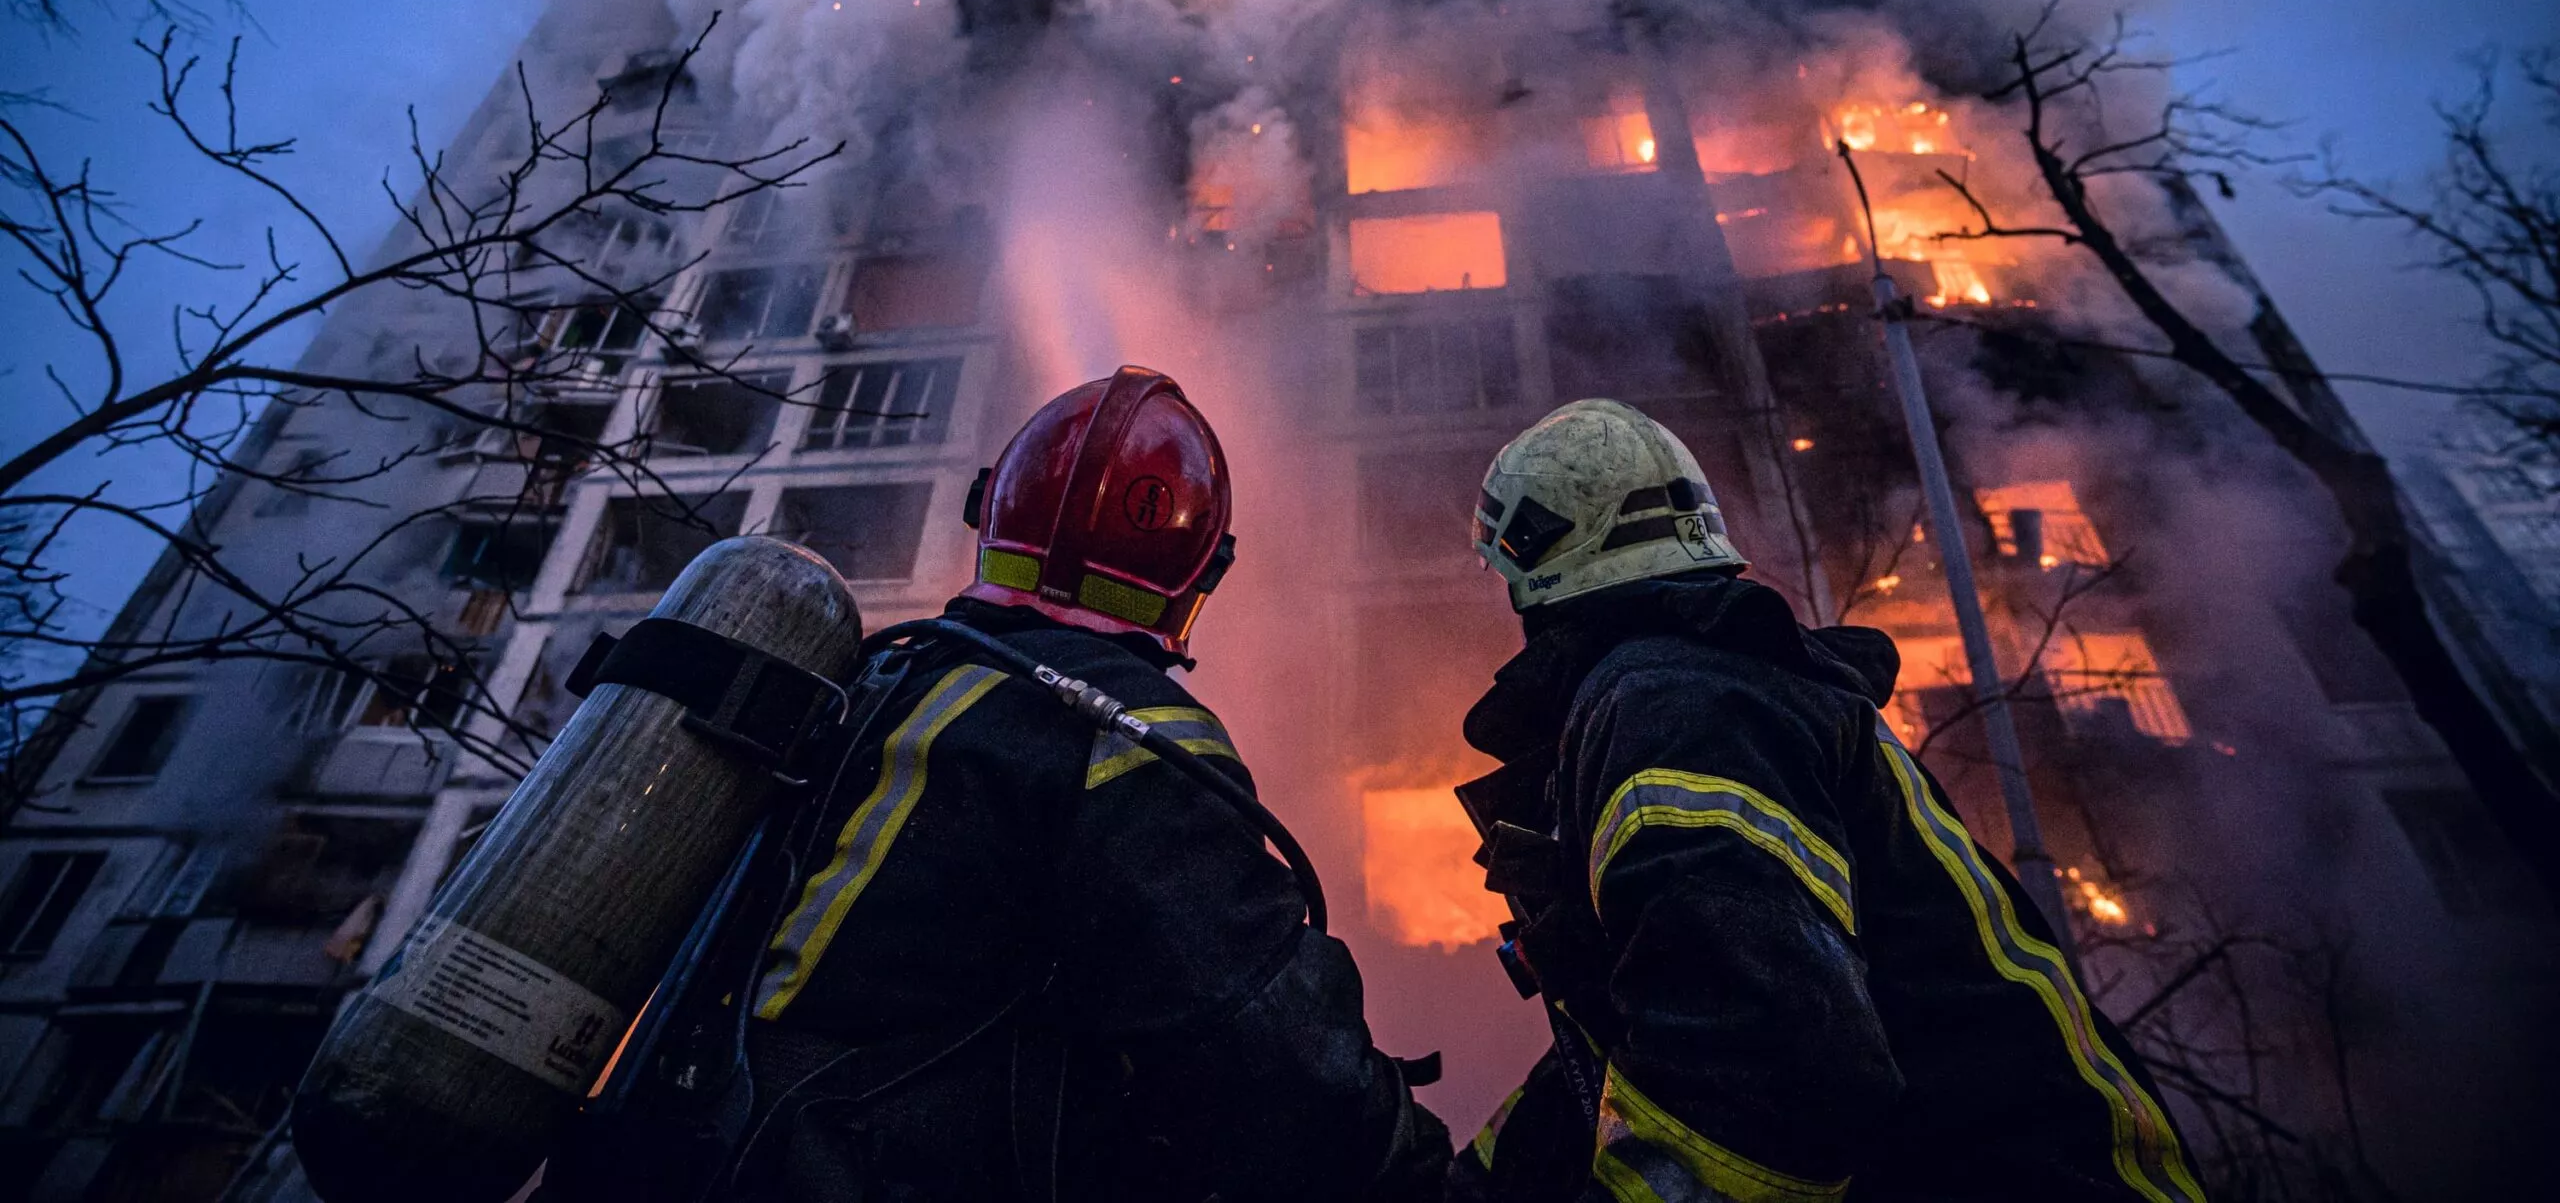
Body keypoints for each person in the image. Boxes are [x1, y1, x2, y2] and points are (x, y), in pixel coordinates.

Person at [1449, 398, 2206, 1203]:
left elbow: (1760, 1070)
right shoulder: (1714, 694)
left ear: (1540, 574)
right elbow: (1631, 1056)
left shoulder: (1680, 709)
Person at [726, 366, 1446, 1202]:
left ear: (993, 512)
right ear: (1199, 568)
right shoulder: (1130, 732)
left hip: (703, 1148)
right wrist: (1422, 1172)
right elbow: (1270, 1051)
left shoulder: (880, 682)